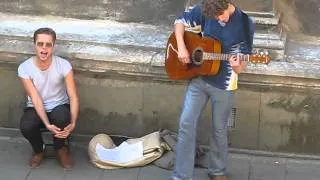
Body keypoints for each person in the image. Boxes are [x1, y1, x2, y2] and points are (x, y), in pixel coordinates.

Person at [172, 0, 254, 180]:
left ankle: (217, 171)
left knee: (219, 129)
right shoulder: (206, 8)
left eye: (221, 15)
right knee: (186, 123)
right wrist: (182, 47)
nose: (219, 19)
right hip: (199, 78)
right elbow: (179, 22)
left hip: (224, 85)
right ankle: (181, 176)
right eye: (215, 17)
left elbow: (242, 64)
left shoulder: (245, 23)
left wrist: (237, 66)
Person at [18, 27, 79, 168]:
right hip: (36, 107)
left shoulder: (64, 65)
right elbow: (35, 98)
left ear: (53, 46)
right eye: (40, 44)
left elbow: (73, 96)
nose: (44, 49)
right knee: (26, 126)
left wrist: (74, 122)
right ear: (35, 45)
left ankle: (60, 149)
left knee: (63, 117)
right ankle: (39, 150)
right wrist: (46, 124)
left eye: (48, 45)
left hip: (59, 106)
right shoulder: (24, 68)